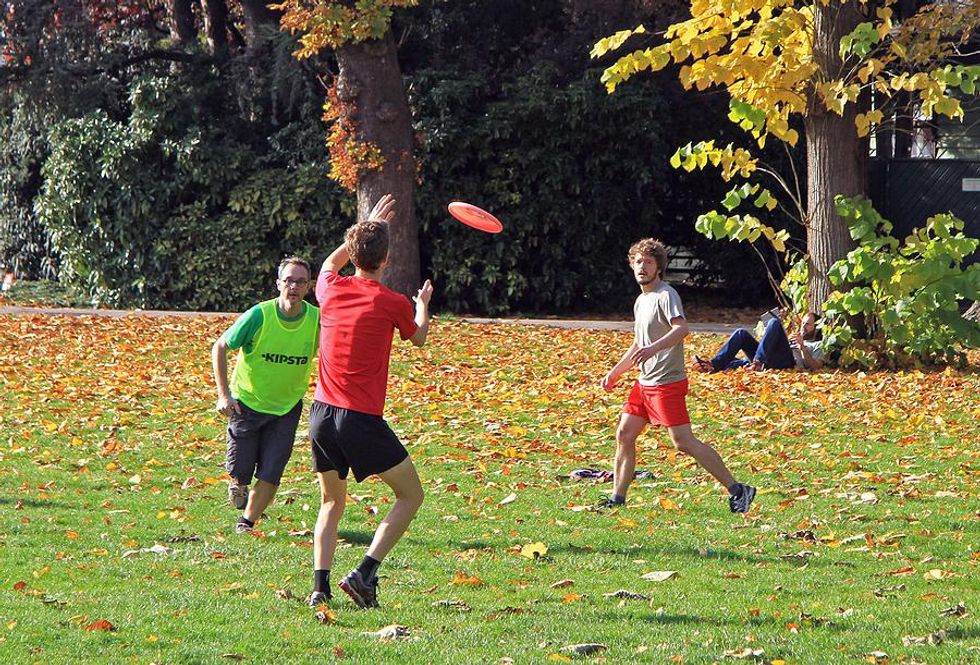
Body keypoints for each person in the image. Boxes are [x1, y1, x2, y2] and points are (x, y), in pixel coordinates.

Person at [306, 194, 433, 609]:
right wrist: (423, 307)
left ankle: (319, 589)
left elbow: (328, 263)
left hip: (321, 415)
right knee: (411, 496)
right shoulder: (391, 302)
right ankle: (364, 573)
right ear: (387, 259)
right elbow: (418, 337)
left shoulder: (330, 288)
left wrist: (366, 225)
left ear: (354, 254)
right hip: (359, 419)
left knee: (330, 501)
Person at [600, 238, 756, 513]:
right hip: (644, 382)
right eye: (638, 261)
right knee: (625, 433)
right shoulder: (641, 300)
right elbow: (639, 343)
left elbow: (681, 329)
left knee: (682, 441)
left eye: (648, 262)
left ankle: (738, 489)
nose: (642, 267)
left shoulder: (666, 295)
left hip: (666, 382)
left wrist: (653, 349)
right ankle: (617, 498)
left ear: (658, 267)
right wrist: (615, 372)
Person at [212, 257, 319, 534]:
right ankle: (239, 484)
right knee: (241, 470)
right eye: (288, 280)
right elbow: (221, 346)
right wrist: (224, 395)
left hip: (286, 408)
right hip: (247, 404)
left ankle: (246, 522)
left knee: (272, 472)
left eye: (300, 281)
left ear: (309, 286)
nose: (293, 286)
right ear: (278, 284)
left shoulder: (317, 320)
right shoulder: (259, 315)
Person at [694, 312, 825, 372]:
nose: (803, 327)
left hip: (788, 362)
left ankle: (756, 363)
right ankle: (714, 365)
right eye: (802, 323)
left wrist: (802, 346)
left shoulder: (818, 345)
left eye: (807, 324)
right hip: (769, 357)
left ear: (816, 327)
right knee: (741, 333)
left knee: (774, 322)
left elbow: (815, 367)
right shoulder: (794, 337)